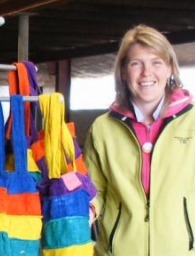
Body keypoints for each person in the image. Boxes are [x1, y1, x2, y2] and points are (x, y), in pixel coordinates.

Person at [83, 24, 195, 256]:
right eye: (136, 63)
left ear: (170, 68)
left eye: (156, 62)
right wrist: (86, 211)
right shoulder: (103, 128)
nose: (146, 73)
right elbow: (95, 190)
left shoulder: (192, 121)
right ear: (123, 71)